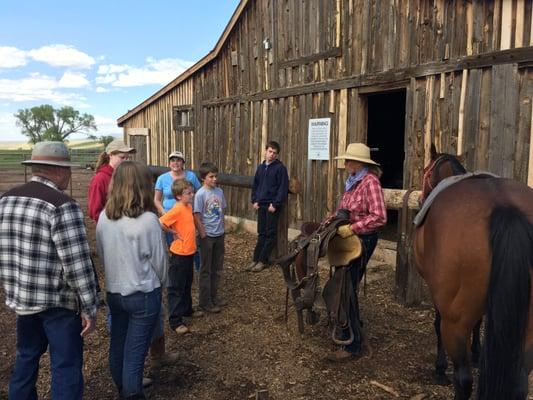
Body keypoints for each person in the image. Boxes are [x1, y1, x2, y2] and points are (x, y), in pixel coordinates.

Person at [0, 141, 98, 399]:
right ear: (58, 170)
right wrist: (89, 306)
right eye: (68, 170)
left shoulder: (6, 199)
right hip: (57, 304)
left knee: (26, 358)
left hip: (23, 299)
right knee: (65, 366)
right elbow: (77, 264)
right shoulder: (62, 205)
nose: (69, 175)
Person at [96, 161, 168, 399]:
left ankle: (122, 386)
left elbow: (103, 255)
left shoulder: (104, 218)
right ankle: (132, 393)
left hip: (115, 293)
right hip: (143, 293)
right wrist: (162, 286)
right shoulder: (149, 221)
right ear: (143, 186)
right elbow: (160, 263)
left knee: (118, 344)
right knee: (135, 351)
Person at [327, 142, 387, 361]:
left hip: (363, 238)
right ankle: (349, 325)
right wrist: (332, 220)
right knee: (344, 284)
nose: (345, 163)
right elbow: (345, 209)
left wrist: (352, 228)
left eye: (349, 160)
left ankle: (353, 345)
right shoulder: (352, 181)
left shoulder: (370, 182)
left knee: (346, 287)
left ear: (360, 162)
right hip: (350, 236)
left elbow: (380, 217)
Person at [160, 179, 201, 335]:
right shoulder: (177, 209)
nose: (191, 195)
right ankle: (175, 320)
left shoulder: (188, 207)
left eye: (192, 192)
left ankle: (187, 310)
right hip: (179, 254)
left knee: (187, 283)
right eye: (188, 193)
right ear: (178, 196)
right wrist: (173, 232)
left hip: (189, 252)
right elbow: (161, 222)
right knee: (176, 287)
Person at [245, 141, 289, 272]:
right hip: (261, 205)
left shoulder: (280, 168)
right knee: (261, 233)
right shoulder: (261, 167)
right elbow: (256, 185)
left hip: (271, 206)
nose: (272, 155)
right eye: (270, 151)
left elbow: (283, 188)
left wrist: (275, 204)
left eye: (275, 153)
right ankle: (255, 259)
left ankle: (263, 261)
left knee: (270, 234)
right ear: (265, 151)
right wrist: (255, 200)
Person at [194, 162, 227, 313]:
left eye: (216, 176)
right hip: (207, 236)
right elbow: (197, 216)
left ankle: (214, 296)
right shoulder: (200, 194)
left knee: (217, 268)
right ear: (203, 178)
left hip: (219, 234)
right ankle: (205, 301)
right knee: (206, 269)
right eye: (211, 176)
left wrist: (223, 229)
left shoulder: (219, 192)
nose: (215, 179)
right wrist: (203, 234)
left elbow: (222, 211)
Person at [87, 139, 136, 223]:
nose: (126, 161)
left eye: (128, 158)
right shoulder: (100, 179)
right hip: (110, 230)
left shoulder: (127, 176)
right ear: (111, 155)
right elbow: (94, 212)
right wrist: (113, 224)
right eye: (122, 157)